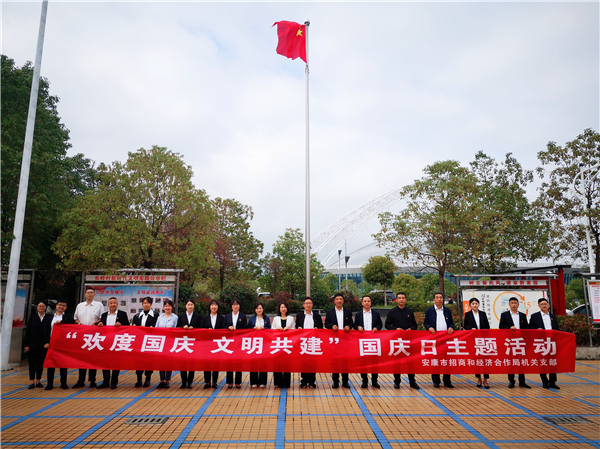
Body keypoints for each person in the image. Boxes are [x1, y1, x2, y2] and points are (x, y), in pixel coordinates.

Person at [384, 292, 420, 390]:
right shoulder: (392, 312)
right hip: (397, 341)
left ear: (406, 299)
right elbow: (387, 325)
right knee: (397, 362)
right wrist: (395, 329)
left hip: (409, 341)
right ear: (396, 300)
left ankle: (412, 382)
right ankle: (397, 382)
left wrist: (411, 329)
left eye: (403, 298)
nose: (401, 300)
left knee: (410, 362)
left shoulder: (409, 311)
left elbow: (414, 325)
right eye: (399, 298)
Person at [72, 286, 104, 388]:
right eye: (88, 292)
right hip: (82, 336)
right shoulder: (80, 305)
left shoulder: (99, 305)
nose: (89, 294)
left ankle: (92, 380)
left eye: (91, 292)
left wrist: (95, 323)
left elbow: (102, 318)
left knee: (92, 359)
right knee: (81, 359)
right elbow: (75, 318)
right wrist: (78, 322)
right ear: (85, 294)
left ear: (94, 294)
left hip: (94, 336)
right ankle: (81, 380)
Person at [96, 297, 129, 389]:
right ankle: (105, 381)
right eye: (111, 303)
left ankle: (114, 382)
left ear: (117, 304)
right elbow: (100, 328)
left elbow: (127, 326)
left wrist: (121, 325)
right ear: (108, 305)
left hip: (117, 341)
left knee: (116, 362)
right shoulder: (104, 315)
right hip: (106, 342)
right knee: (105, 362)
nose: (112, 305)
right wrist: (100, 325)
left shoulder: (122, 314)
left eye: (114, 303)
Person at [423, 292, 455, 388]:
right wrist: (429, 328)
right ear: (434, 299)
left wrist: (451, 327)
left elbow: (452, 323)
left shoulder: (447, 310)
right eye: (437, 297)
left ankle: (447, 381)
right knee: (435, 360)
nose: (439, 299)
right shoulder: (429, 311)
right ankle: (436, 381)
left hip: (446, 339)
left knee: (446, 360)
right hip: (434, 339)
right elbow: (426, 323)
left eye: (441, 297)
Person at [43, 298, 75, 390]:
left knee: (63, 364)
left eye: (63, 305)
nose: (61, 307)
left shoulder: (68, 317)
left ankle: (63, 383)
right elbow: (45, 331)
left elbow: (71, 326)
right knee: (51, 364)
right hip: (51, 343)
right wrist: (46, 342)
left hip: (63, 344)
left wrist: (61, 322)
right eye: (60, 305)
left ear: (66, 307)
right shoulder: (49, 317)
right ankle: (50, 383)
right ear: (56, 306)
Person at [499, 296, 530, 389]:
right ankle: (511, 381)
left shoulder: (522, 315)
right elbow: (501, 327)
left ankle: (522, 381)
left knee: (521, 362)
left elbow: (527, 328)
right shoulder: (504, 315)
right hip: (510, 342)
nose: (513, 305)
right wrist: (509, 327)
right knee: (511, 362)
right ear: (509, 304)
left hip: (520, 342)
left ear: (518, 304)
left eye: (515, 303)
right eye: (512, 303)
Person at [529, 298, 560, 390]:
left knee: (552, 362)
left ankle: (552, 382)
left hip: (552, 342)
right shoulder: (535, 316)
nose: (544, 306)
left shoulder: (553, 316)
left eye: (545, 304)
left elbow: (557, 329)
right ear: (539, 306)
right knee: (542, 362)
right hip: (541, 342)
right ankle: (544, 381)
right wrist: (536, 330)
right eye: (542, 304)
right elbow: (529, 328)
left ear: (548, 305)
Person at [325, 293, 353, 389]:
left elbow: (351, 323)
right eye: (337, 299)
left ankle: (345, 381)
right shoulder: (330, 312)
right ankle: (335, 381)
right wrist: (332, 326)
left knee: (345, 361)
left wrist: (348, 326)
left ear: (343, 301)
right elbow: (326, 324)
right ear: (334, 301)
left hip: (345, 340)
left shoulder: (348, 312)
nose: (339, 301)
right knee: (335, 361)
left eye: (341, 299)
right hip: (335, 340)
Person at [354, 295, 383, 388]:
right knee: (363, 362)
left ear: (371, 303)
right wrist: (358, 327)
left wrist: (376, 328)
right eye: (365, 301)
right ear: (362, 303)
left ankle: (374, 381)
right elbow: (355, 325)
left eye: (368, 301)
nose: (367, 303)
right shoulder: (358, 314)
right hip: (362, 341)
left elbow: (380, 324)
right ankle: (364, 381)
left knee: (374, 361)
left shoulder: (376, 313)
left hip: (373, 340)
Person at [463, 297, 491, 389]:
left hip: (483, 340)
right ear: (470, 305)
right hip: (474, 340)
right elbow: (465, 326)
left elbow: (487, 326)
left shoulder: (483, 314)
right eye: (473, 304)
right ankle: (479, 379)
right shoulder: (467, 314)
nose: (475, 305)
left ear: (478, 304)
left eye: (476, 303)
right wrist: (471, 329)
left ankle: (485, 380)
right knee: (477, 360)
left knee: (485, 360)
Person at [295, 296, 323, 388]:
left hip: (313, 341)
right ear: (303, 305)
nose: (308, 305)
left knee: (312, 361)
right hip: (303, 341)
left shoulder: (317, 316)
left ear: (312, 305)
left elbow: (321, 328)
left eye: (310, 303)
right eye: (306, 303)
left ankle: (311, 381)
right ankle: (304, 380)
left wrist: (317, 329)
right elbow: (296, 326)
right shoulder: (299, 315)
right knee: (303, 361)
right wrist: (298, 328)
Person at [24, 301, 50, 389]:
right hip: (32, 345)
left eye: (43, 306)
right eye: (40, 306)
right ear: (37, 307)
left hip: (43, 345)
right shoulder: (32, 317)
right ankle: (32, 381)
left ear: (45, 308)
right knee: (32, 364)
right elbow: (28, 331)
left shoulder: (48, 317)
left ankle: (38, 381)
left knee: (40, 364)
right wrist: (26, 345)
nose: (41, 308)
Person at [132, 296, 157, 387]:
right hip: (139, 342)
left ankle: (148, 379)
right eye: (144, 303)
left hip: (150, 342)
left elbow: (156, 327)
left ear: (151, 304)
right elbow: (133, 328)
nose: (146, 305)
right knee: (139, 361)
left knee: (149, 361)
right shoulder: (137, 316)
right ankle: (139, 379)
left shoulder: (155, 315)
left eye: (148, 303)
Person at [178, 298, 202, 389]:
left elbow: (200, 327)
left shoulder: (197, 316)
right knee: (182, 362)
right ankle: (183, 382)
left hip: (193, 342)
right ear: (185, 306)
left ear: (194, 306)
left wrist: (194, 328)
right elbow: (177, 327)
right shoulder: (181, 316)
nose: (190, 306)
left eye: (191, 304)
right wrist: (182, 327)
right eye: (188, 305)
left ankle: (190, 382)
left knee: (192, 362)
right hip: (183, 342)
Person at [201, 300, 225, 389]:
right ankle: (207, 382)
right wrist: (207, 331)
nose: (214, 307)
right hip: (207, 343)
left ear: (218, 307)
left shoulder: (221, 318)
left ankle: (214, 382)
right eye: (212, 305)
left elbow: (224, 329)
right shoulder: (205, 318)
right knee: (206, 362)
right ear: (209, 307)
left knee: (216, 363)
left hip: (218, 343)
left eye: (215, 305)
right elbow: (201, 329)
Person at [224, 299, 247, 388]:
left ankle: (238, 381)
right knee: (229, 361)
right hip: (229, 342)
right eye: (233, 305)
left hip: (239, 342)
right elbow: (223, 327)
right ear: (231, 306)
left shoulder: (243, 316)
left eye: (237, 304)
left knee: (238, 361)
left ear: (239, 306)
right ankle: (229, 381)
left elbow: (245, 329)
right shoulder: (227, 316)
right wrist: (228, 327)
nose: (235, 306)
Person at [247, 303, 271, 387]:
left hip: (264, 343)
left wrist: (264, 328)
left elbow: (270, 329)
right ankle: (254, 382)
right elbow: (247, 329)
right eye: (257, 308)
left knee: (263, 362)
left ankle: (262, 382)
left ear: (263, 309)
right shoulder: (252, 318)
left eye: (260, 308)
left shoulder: (266, 318)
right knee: (253, 362)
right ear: (255, 310)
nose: (259, 310)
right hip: (254, 343)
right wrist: (253, 329)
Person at [155, 299, 178, 388]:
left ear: (172, 307)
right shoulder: (160, 317)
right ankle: (162, 380)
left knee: (169, 361)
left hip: (171, 342)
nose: (167, 308)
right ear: (163, 307)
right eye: (166, 306)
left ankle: (167, 380)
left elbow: (178, 330)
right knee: (161, 361)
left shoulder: (175, 317)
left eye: (169, 306)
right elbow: (156, 329)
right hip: (161, 342)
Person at [272, 301, 295, 388]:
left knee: (287, 363)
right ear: (279, 309)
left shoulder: (291, 318)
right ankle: (277, 382)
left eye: (285, 307)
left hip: (287, 343)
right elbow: (272, 329)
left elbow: (294, 329)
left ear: (287, 308)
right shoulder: (276, 319)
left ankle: (286, 382)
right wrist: (277, 329)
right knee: (277, 362)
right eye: (281, 307)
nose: (283, 309)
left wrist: (289, 329)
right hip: (277, 343)